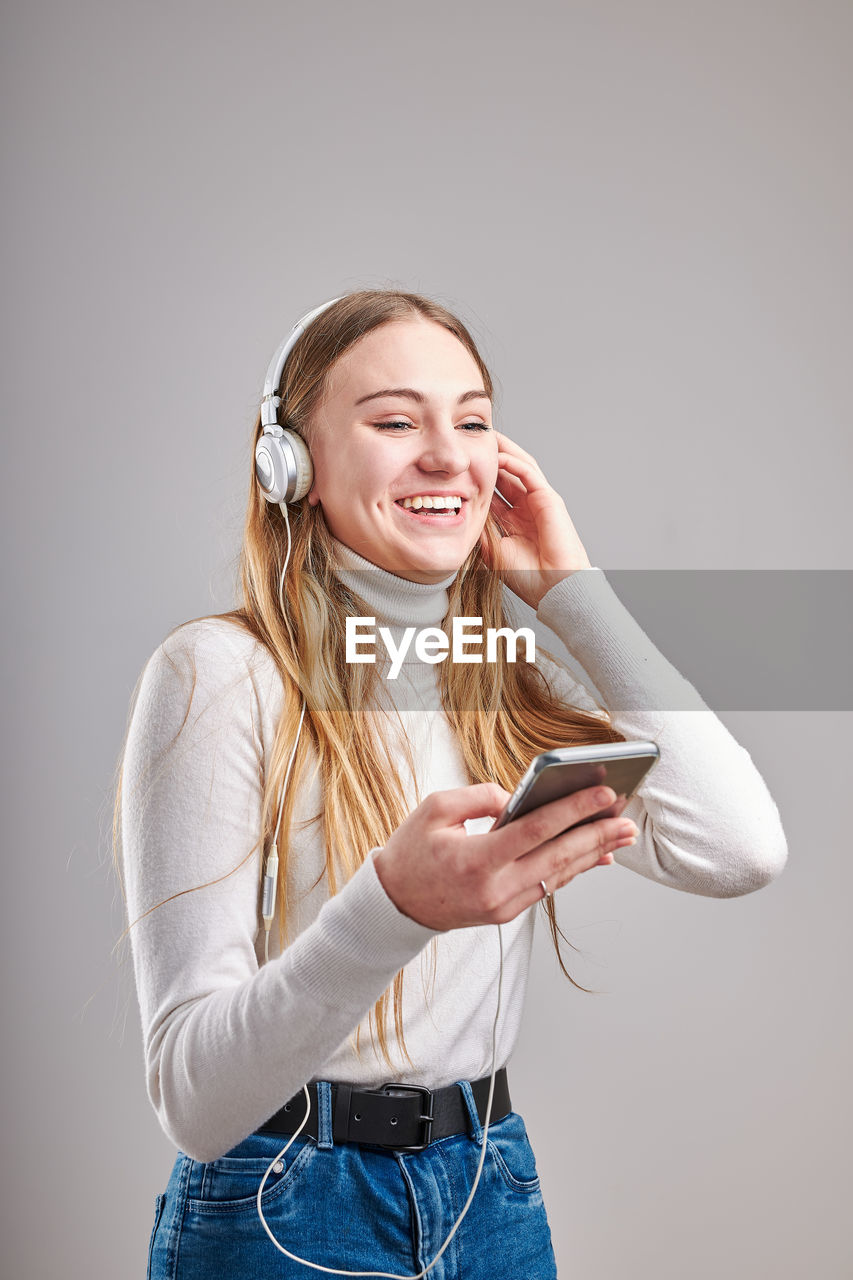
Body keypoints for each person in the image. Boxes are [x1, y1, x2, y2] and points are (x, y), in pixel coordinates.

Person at [115, 289, 788, 1279]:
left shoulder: (510, 671)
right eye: (395, 420)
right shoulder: (221, 674)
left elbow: (739, 848)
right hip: (280, 1202)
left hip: (488, 1189)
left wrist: (571, 585)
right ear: (288, 464)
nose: (447, 453)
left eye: (471, 419)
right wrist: (391, 906)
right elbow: (195, 1100)